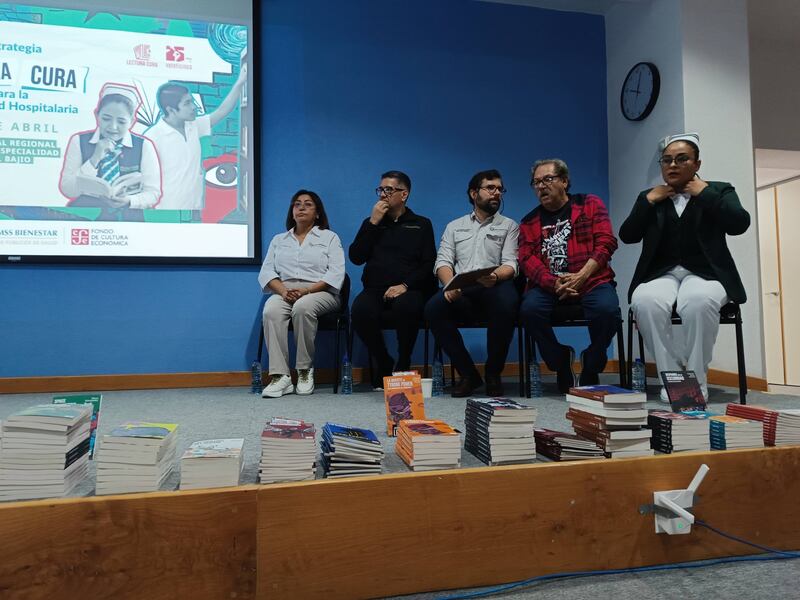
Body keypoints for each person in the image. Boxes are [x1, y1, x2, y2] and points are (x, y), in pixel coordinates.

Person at [619, 132, 750, 402]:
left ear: (697, 164)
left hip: (707, 273)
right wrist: (648, 201)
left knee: (698, 301)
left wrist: (707, 194)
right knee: (643, 301)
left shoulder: (720, 189)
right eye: (666, 160)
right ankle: (674, 378)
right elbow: (628, 235)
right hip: (662, 273)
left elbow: (739, 224)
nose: (673, 165)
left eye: (681, 159)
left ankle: (696, 379)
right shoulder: (650, 196)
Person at [518, 159, 620, 393]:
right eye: (536, 182)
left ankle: (592, 363)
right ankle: (560, 360)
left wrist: (582, 275)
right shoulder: (529, 221)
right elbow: (526, 259)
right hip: (549, 286)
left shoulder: (589, 204)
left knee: (608, 310)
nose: (541, 186)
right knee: (529, 311)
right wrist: (554, 283)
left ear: (564, 181)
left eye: (547, 179)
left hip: (592, 280)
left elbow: (606, 242)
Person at [424, 169, 519, 397]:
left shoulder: (509, 225)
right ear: (474, 193)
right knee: (433, 308)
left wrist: (496, 276)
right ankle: (468, 375)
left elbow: (511, 263)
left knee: (508, 302)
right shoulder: (454, 226)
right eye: (490, 188)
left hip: (493, 284)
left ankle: (493, 373)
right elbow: (443, 262)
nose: (497, 193)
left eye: (500, 189)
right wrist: (450, 286)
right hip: (462, 287)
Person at [349, 171, 437, 389]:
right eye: (380, 189)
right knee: (360, 311)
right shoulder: (371, 223)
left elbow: (429, 264)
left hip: (409, 288)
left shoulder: (421, 224)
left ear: (404, 194)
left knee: (408, 307)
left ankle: (404, 361)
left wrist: (405, 285)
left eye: (388, 190)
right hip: (375, 288)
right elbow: (356, 257)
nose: (382, 194)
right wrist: (373, 223)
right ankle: (383, 360)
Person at [257, 190, 345, 398]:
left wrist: (307, 290)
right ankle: (281, 376)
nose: (301, 207)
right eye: (297, 204)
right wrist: (284, 291)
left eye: (308, 204)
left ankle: (305, 370)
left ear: (317, 213)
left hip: (321, 291)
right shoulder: (279, 240)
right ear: (292, 211)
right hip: (285, 291)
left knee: (303, 307)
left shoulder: (329, 237)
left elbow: (336, 272)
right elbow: (267, 272)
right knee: (271, 310)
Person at [145, 65, 247, 213]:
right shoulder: (152, 137)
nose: (194, 107)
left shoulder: (193, 126)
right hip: (166, 211)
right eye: (187, 103)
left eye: (192, 101)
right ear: (170, 110)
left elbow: (223, 110)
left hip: (193, 208)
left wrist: (240, 82)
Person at [59, 83, 161, 220]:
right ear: (97, 115)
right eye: (106, 119)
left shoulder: (144, 146)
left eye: (121, 121)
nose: (113, 127)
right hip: (85, 216)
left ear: (132, 121)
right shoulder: (79, 141)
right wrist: (94, 158)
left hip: (129, 217)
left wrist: (130, 200)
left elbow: (153, 193)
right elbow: (68, 190)